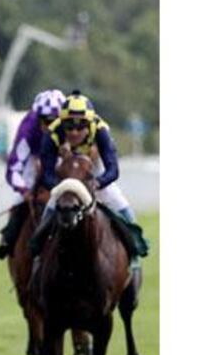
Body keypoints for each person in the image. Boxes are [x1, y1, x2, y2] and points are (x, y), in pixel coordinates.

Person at [30, 90, 143, 256]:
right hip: (65, 173)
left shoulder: (101, 129)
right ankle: (38, 254)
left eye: (81, 126)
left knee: (125, 211)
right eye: (69, 126)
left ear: (89, 123)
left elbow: (113, 170)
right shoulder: (53, 133)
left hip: (94, 173)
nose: (74, 132)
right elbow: (47, 174)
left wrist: (97, 183)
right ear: (61, 123)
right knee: (46, 218)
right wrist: (63, 187)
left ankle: (135, 252)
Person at [0, 89, 66, 259]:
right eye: (43, 120)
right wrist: (25, 191)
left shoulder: (71, 124)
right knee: (22, 199)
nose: (47, 125)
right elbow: (13, 169)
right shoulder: (28, 127)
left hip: (61, 157)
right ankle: (9, 238)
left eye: (53, 121)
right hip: (34, 158)